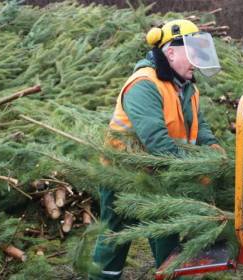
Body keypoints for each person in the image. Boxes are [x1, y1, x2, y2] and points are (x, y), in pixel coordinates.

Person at [89, 19, 223, 280]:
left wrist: (214, 151)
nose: (196, 61)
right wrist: (198, 171)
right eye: (191, 53)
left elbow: (200, 125)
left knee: (166, 236)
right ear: (170, 52)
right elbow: (158, 143)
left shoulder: (187, 87)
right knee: (114, 238)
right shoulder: (144, 85)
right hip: (123, 177)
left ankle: (169, 272)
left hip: (161, 176)